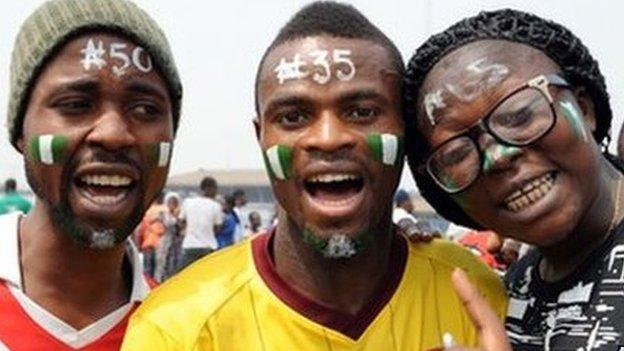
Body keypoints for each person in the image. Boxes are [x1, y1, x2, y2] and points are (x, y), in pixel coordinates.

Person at [122, 3, 507, 350]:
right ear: (261, 137)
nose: (328, 138)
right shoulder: (175, 327)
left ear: (407, 130)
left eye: (361, 112)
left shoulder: (477, 295)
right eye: (293, 117)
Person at [405, 8, 624, 350]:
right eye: (457, 154)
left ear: (584, 109)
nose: (498, 156)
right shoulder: (515, 284)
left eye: (519, 115)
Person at [0, 0, 182, 349]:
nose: (113, 134)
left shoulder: (186, 331)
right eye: (76, 105)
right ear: (20, 131)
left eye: (145, 109)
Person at [179, 176, 223, 268]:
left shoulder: (188, 202)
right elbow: (218, 228)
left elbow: (181, 221)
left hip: (189, 246)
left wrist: (188, 230)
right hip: (208, 247)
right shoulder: (216, 206)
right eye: (215, 189)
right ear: (208, 189)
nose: (216, 192)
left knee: (186, 275)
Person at [154, 192, 182, 282]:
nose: (172, 204)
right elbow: (168, 223)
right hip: (165, 239)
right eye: (171, 202)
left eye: (175, 202)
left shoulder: (180, 214)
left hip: (176, 242)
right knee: (161, 263)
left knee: (174, 263)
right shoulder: (163, 213)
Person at [138, 192, 166, 278]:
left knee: (147, 268)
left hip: (148, 242)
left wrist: (140, 243)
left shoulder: (147, 210)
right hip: (162, 244)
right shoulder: (166, 209)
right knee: (160, 268)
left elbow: (141, 229)